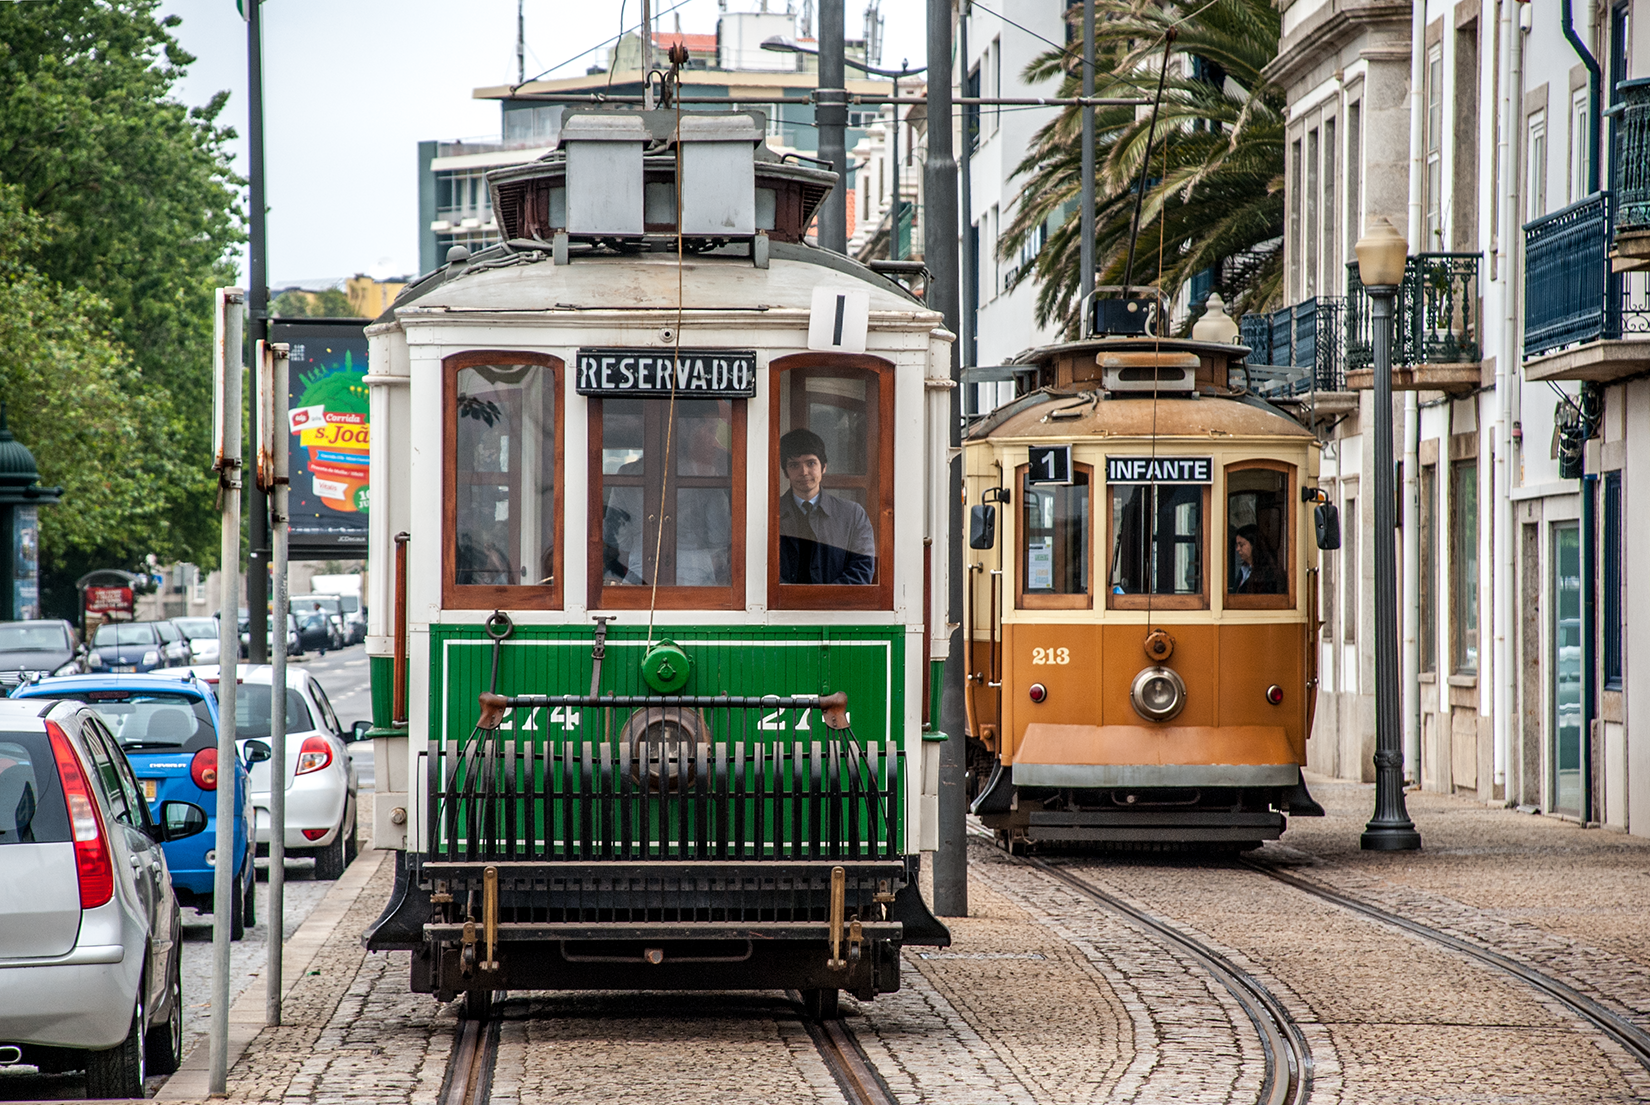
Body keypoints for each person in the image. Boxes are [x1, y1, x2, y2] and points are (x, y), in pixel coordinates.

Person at [777, 428, 875, 585]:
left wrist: (823, 600)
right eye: (794, 465)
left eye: (811, 463)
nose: (804, 472)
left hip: (836, 608)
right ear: (785, 472)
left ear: (823, 467)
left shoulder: (853, 515)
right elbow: (757, 569)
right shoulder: (769, 515)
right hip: (779, 609)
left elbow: (861, 570)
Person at [1232, 523, 1284, 594]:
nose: (1237, 549)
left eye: (1241, 545)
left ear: (1254, 545)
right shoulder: (1243, 570)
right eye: (1237, 545)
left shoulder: (1268, 573)